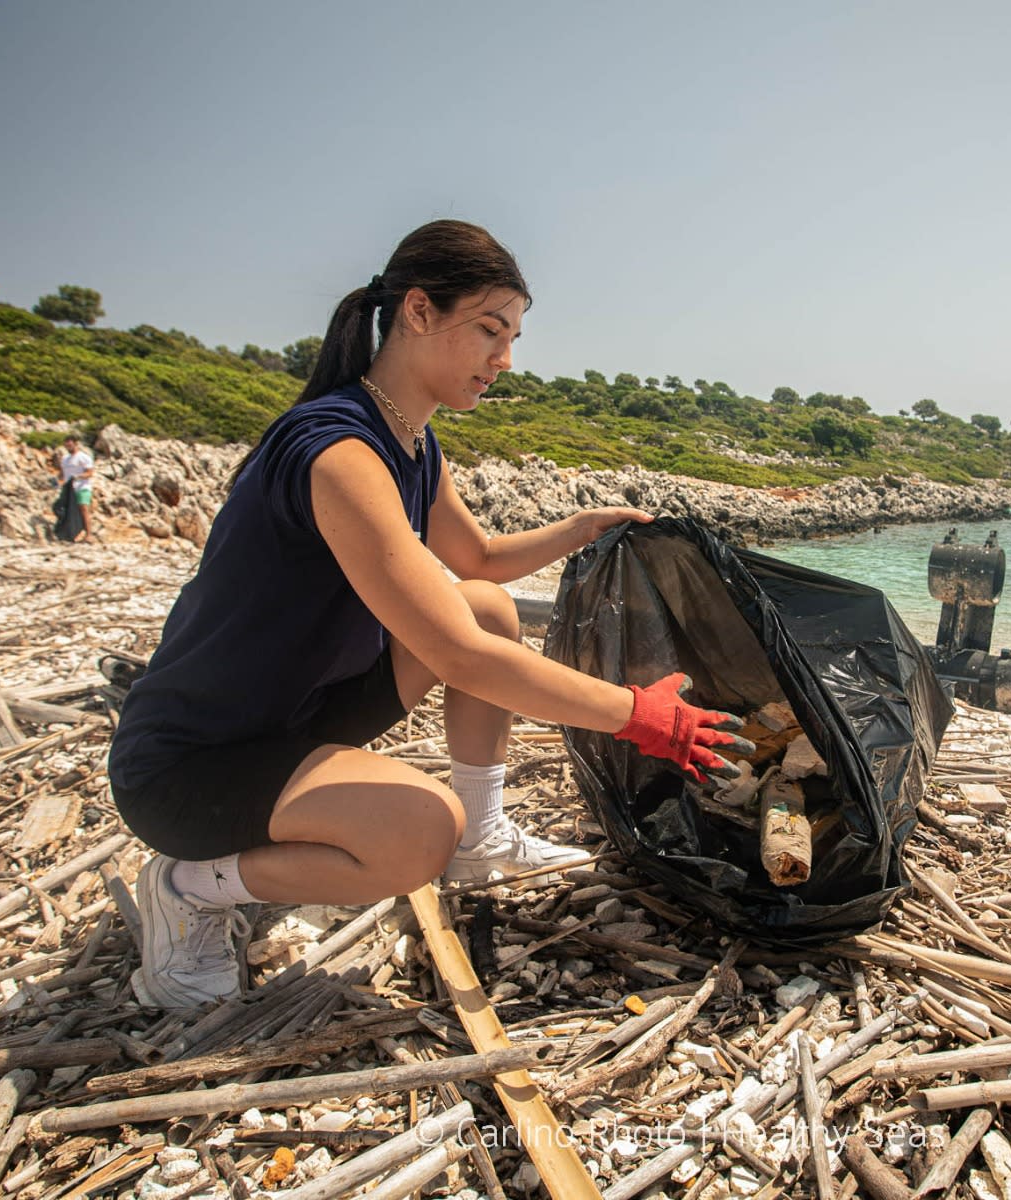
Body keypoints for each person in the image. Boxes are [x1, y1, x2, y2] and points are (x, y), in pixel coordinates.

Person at [108, 220, 753, 1009]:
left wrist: (579, 527)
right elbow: (461, 660)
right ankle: (188, 887)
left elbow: (478, 559)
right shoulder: (339, 453)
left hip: (293, 720)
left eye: (513, 335)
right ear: (417, 311)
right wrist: (644, 719)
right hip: (191, 762)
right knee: (419, 834)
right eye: (489, 329)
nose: (505, 359)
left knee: (484, 607)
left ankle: (484, 837)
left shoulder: (412, 441)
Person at [55, 434, 97, 542]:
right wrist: (56, 481)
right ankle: (69, 532)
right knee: (63, 509)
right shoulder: (65, 459)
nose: (68, 447)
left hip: (82, 487)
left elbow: (90, 473)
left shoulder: (83, 457)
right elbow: (62, 474)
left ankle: (89, 534)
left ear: (76, 444)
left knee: (83, 509)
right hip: (69, 489)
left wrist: (78, 477)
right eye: (66, 446)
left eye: (70, 445)